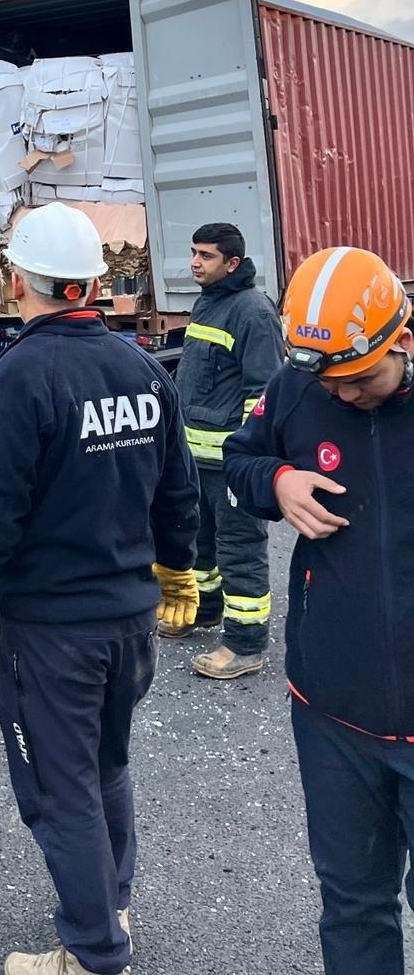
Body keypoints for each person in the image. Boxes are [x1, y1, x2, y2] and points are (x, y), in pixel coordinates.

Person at [0, 203, 200, 975]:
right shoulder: (141, 368)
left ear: (19, 280)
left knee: (60, 789)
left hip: (54, 634)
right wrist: (176, 567)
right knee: (106, 765)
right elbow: (178, 489)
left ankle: (92, 951)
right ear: (89, 283)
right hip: (130, 622)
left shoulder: (23, 375)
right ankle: (111, 904)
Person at [225, 245, 414, 975]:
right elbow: (239, 460)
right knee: (353, 903)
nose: (345, 397)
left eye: (361, 380)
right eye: (330, 384)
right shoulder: (298, 389)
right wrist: (276, 480)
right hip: (332, 712)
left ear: (401, 340)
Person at [169, 222, 283, 679]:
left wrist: (249, 460)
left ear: (232, 263)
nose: (195, 263)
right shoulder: (208, 303)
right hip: (196, 459)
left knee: (239, 549)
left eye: (206, 255)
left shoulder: (253, 312)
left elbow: (264, 394)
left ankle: (245, 644)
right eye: (194, 252)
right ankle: (205, 609)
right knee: (199, 541)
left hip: (231, 463)